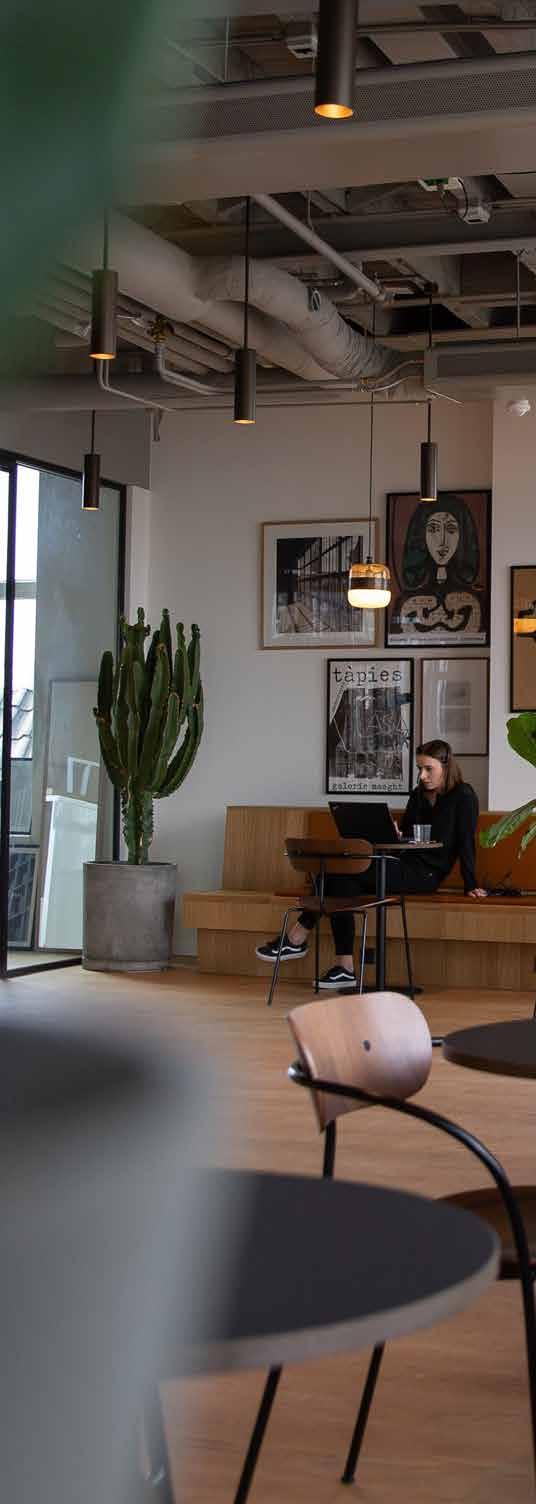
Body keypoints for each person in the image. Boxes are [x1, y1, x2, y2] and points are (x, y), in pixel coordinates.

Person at [256, 739, 487, 989]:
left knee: (340, 874)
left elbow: (466, 841)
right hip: (401, 863)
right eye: (420, 768)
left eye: (428, 769)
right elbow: (407, 834)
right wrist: (396, 834)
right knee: (340, 879)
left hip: (426, 874)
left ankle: (298, 939)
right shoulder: (418, 795)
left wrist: (471, 884)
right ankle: (342, 968)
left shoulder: (464, 796)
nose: (422, 775)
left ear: (446, 765)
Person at [390, 493, 484, 640]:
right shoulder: (406, 603)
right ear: (421, 535)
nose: (442, 541)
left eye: (451, 530)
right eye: (433, 530)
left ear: (462, 536)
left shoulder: (474, 602)